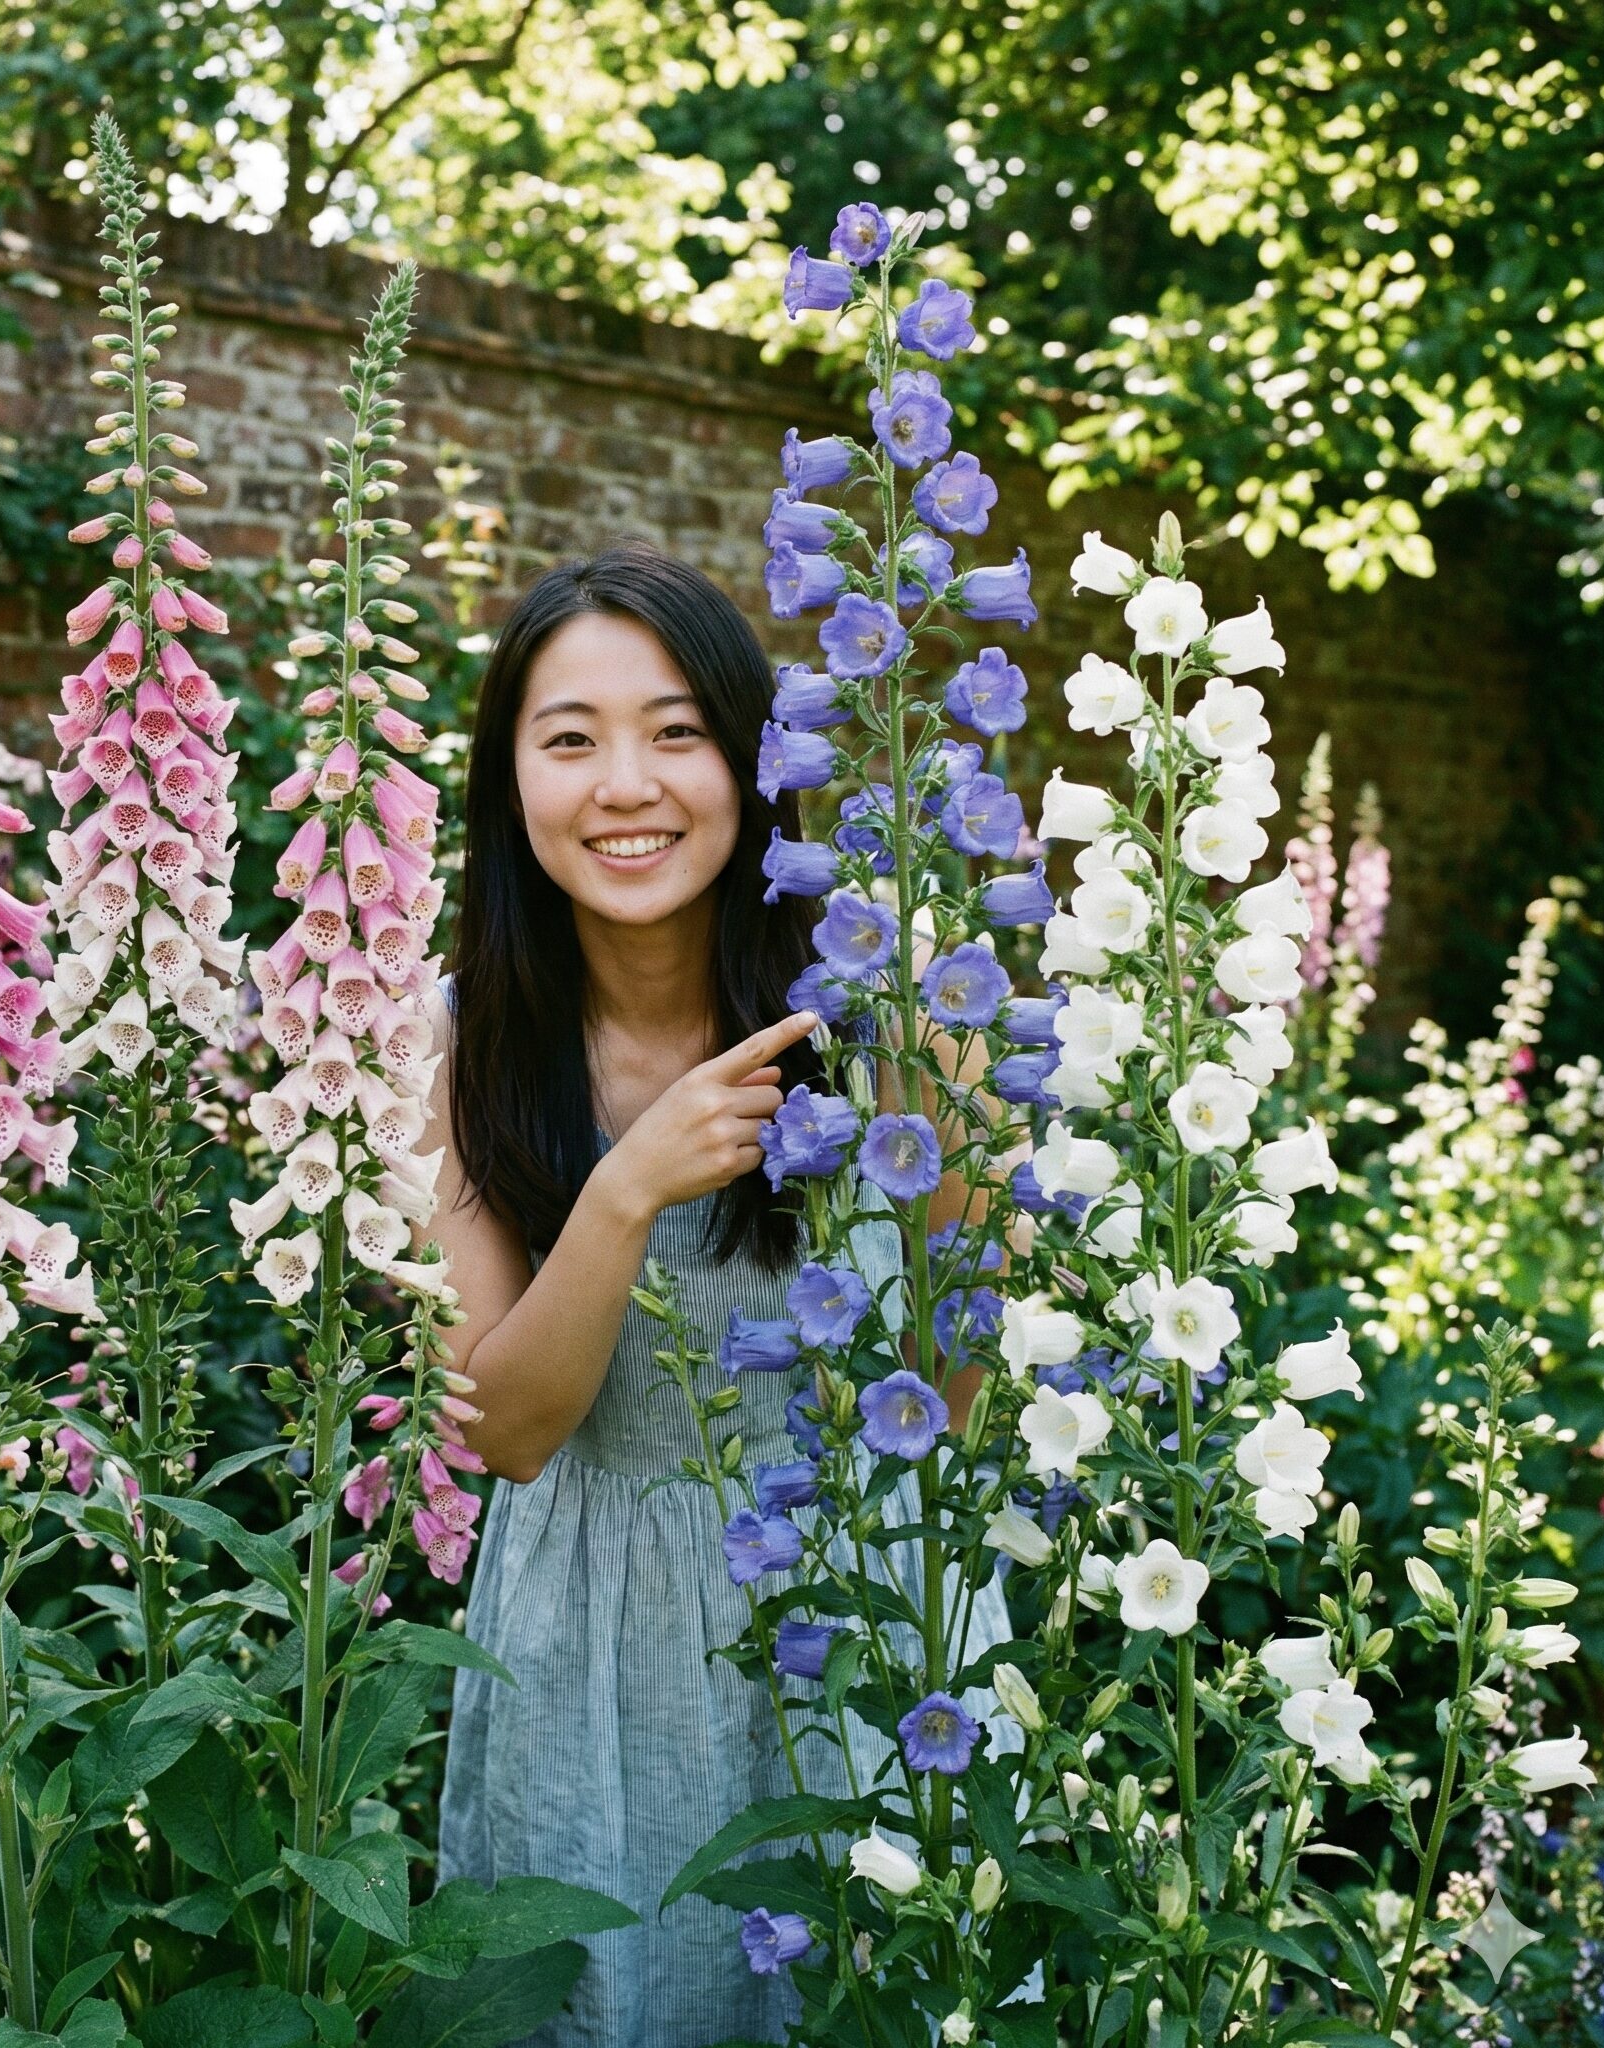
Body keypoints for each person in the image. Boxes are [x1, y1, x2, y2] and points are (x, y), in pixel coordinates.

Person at [418, 541, 1010, 2047]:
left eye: (678, 732)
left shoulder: (888, 1020)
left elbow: (959, 1364)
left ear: (760, 762)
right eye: (571, 740)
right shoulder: (456, 1043)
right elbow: (510, 1432)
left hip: (867, 1621)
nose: (627, 784)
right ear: (511, 788)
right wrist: (627, 1190)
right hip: (594, 1650)